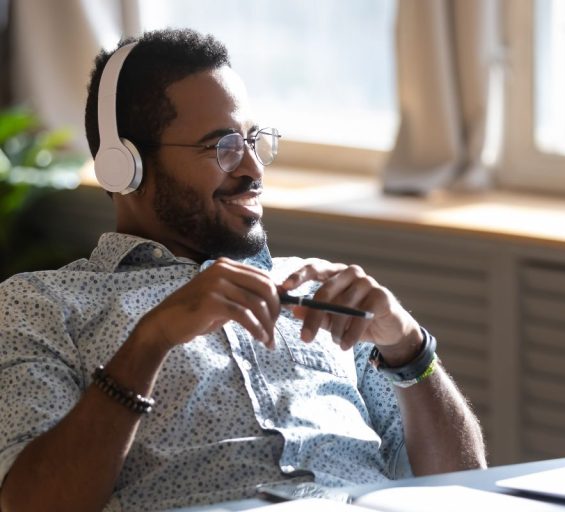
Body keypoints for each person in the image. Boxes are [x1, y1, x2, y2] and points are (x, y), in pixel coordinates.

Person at [0, 28, 485, 512]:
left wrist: (409, 349)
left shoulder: (320, 292)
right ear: (124, 166)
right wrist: (150, 342)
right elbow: (33, 505)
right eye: (222, 147)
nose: (253, 168)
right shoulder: (40, 304)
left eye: (253, 141)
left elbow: (464, 491)